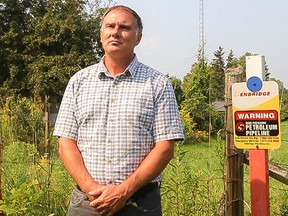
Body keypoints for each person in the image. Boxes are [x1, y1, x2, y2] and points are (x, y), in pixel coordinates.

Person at [53, 5, 184, 216]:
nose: (115, 32)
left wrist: (123, 192)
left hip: (139, 203)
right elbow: (66, 142)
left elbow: (165, 147)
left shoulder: (157, 83)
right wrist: (92, 190)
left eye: (124, 27)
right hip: (87, 203)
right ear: (101, 34)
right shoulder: (79, 81)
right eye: (110, 26)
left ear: (138, 37)